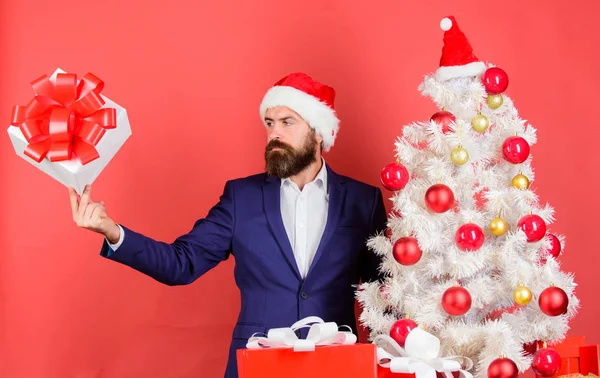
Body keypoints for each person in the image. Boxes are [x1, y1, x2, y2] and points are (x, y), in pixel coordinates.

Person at [69, 72, 388, 378]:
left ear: (319, 132)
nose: (274, 133)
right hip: (258, 363)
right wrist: (112, 232)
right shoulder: (241, 198)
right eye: (269, 123)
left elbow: (383, 294)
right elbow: (180, 264)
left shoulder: (363, 200)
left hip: (336, 365)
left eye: (287, 122)